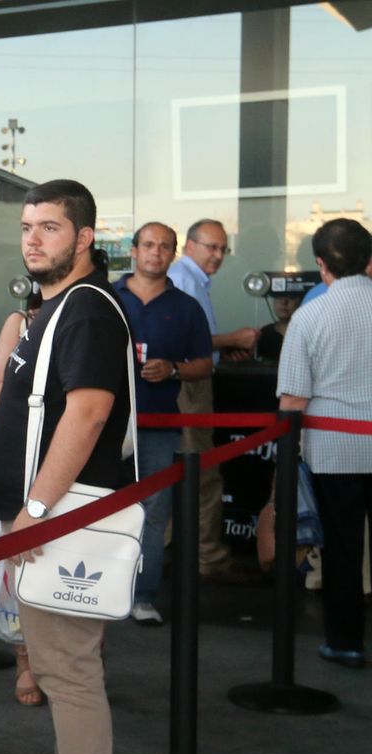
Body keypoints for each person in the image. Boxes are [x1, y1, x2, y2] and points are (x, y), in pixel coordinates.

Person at [0, 179, 132, 754]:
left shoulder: (87, 311)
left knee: (68, 670)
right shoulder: (58, 308)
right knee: (55, 663)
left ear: (84, 239)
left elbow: (89, 413)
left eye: (49, 227)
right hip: (49, 520)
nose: (33, 238)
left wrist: (33, 514)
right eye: (26, 227)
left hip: (62, 522)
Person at [277, 218, 372, 668]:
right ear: (368, 259)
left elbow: (293, 399)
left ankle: (346, 641)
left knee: (342, 549)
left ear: (320, 264)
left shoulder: (310, 316)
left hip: (334, 451)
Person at [111, 223, 214, 625]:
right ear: (133, 251)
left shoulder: (186, 306)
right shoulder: (108, 298)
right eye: (149, 245)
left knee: (153, 514)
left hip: (158, 426)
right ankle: (96, 591)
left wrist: (173, 370)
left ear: (173, 254)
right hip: (104, 425)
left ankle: (143, 595)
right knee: (100, 506)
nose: (156, 252)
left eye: (164, 247)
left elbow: (205, 364)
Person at [167, 218, 258, 581]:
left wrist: (222, 347)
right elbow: (189, 343)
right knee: (202, 472)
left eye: (223, 248)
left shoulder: (191, 279)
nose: (218, 255)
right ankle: (208, 557)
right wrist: (233, 338)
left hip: (188, 382)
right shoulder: (185, 278)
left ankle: (178, 552)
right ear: (190, 246)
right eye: (211, 247)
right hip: (188, 387)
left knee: (183, 472)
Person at [0, 286, 46, 706]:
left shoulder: (90, 321)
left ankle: (70, 655)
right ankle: (26, 660)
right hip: (20, 454)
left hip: (72, 456)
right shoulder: (20, 323)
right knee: (21, 567)